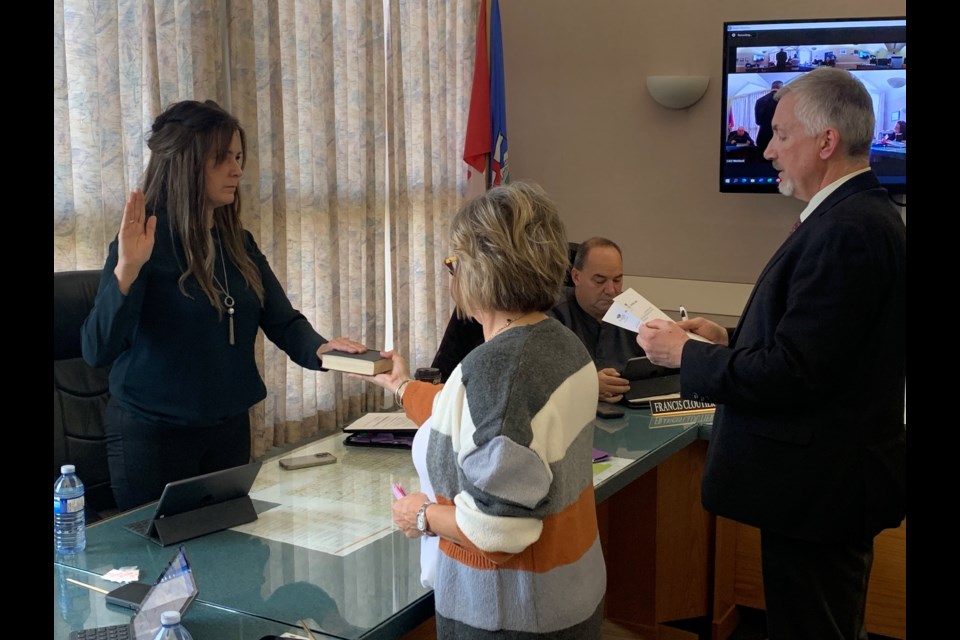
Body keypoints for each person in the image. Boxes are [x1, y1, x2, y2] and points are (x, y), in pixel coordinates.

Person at [637, 67, 905, 640]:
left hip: (819, 490)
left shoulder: (847, 229)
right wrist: (728, 342)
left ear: (826, 141)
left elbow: (796, 373)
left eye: (781, 134)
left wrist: (685, 354)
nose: (766, 147)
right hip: (819, 488)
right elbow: (820, 350)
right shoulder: (855, 217)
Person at [81, 100, 367, 511]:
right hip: (153, 436)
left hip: (228, 427)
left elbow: (284, 322)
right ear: (187, 165)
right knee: (164, 569)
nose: (237, 170)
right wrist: (126, 270)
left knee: (234, 561)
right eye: (222, 160)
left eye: (237, 157)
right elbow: (97, 350)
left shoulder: (238, 243)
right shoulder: (141, 244)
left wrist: (323, 351)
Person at [357, 182, 606, 639]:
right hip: (569, 596)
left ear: (479, 269)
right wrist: (400, 385)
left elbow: (497, 531)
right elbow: (462, 416)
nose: (451, 275)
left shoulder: (496, 372)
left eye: (454, 263)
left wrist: (419, 514)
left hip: (512, 617)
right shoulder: (560, 343)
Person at [549, 237, 645, 404]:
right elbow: (536, 381)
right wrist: (585, 386)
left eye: (617, 280)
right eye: (600, 280)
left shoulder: (636, 313)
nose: (611, 290)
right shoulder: (551, 317)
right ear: (576, 277)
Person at [754, 80, 783, 156]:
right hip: (779, 137)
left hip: (763, 137)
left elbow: (758, 122)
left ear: (772, 87)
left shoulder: (759, 101)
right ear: (781, 88)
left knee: (761, 164)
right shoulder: (783, 101)